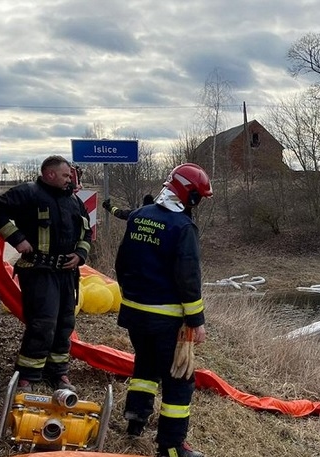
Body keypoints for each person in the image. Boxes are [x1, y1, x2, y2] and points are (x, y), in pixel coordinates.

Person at [115, 163, 213, 457]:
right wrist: (196, 321)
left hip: (134, 314)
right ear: (187, 193)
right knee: (179, 380)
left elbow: (122, 264)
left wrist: (132, 297)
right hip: (167, 320)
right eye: (197, 197)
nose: (197, 203)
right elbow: (188, 278)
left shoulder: (140, 216)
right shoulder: (182, 227)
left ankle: (135, 419)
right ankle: (171, 447)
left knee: (145, 365)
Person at [0, 155, 92, 392]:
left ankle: (58, 374)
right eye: (65, 175)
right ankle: (28, 376)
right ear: (50, 174)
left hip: (66, 273)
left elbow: (86, 232)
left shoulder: (73, 200)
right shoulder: (28, 193)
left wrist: (80, 255)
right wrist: (17, 239)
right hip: (38, 271)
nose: (69, 180)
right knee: (43, 323)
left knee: (65, 323)